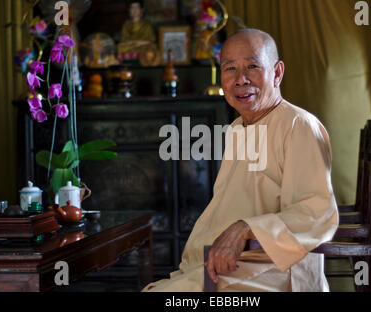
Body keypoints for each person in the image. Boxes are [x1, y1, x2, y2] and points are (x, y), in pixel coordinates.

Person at [142, 28, 339, 292]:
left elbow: (316, 212)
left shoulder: (298, 125)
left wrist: (245, 228)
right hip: (236, 264)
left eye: (252, 66)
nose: (240, 79)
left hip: (276, 270)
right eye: (230, 69)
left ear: (277, 73)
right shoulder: (238, 127)